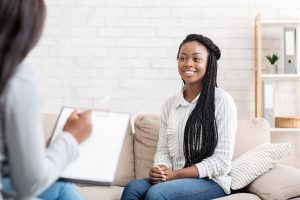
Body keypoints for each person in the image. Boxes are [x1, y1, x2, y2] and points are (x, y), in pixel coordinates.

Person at [121, 34, 237, 200]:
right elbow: (163, 151)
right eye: (182, 58)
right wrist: (161, 170)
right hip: (174, 177)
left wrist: (175, 174)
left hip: (211, 181)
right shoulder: (170, 105)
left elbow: (221, 161)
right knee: (133, 188)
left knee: (157, 193)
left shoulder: (221, 100)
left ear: (209, 63)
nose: (188, 63)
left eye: (196, 59)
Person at [0, 0, 92, 199]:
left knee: (64, 188)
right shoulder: (18, 75)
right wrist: (71, 138)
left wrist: (39, 148)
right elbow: (29, 183)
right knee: (65, 188)